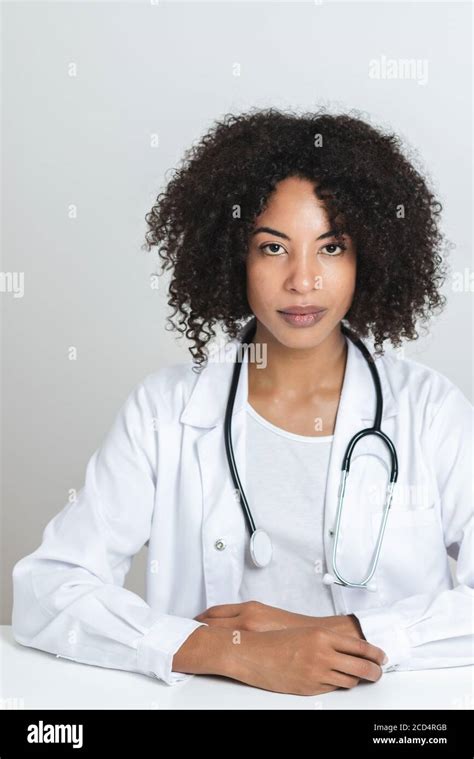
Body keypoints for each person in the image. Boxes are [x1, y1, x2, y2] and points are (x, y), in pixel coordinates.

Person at [12, 108, 473, 697]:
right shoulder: (164, 411)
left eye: (331, 248)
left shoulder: (429, 412)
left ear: (370, 258)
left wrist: (347, 634)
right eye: (273, 248)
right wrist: (226, 651)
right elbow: (47, 589)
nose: (302, 281)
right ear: (234, 255)